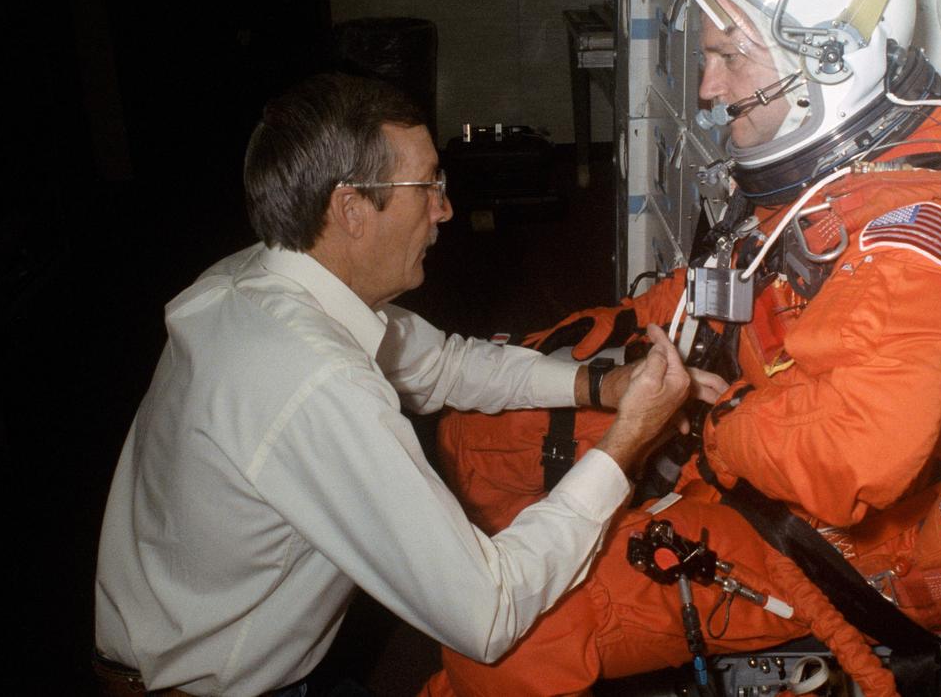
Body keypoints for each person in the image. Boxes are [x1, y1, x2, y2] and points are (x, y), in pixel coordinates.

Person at [426, 0, 941, 696]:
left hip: (851, 557)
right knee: (477, 430)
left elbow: (848, 451)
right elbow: (752, 282)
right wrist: (625, 371)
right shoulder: (864, 168)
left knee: (501, 645)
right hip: (761, 419)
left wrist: (707, 430)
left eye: (729, 56)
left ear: (827, 64)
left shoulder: (922, 244)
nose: (708, 86)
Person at [93, 72, 724, 696]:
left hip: (195, 648)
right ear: (351, 210)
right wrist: (630, 436)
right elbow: (488, 611)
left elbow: (446, 364)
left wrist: (602, 386)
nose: (445, 208)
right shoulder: (314, 379)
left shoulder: (258, 277)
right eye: (427, 186)